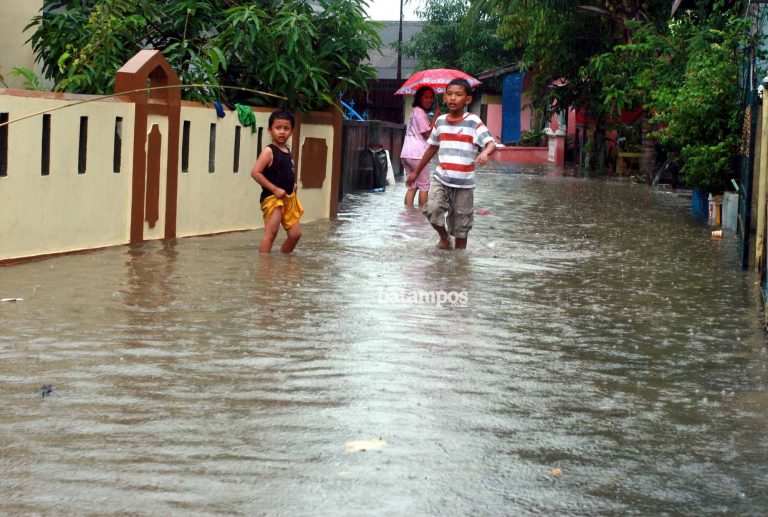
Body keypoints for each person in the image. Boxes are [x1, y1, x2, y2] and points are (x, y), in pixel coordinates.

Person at [407, 78, 496, 250]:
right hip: (442, 178)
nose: (453, 98)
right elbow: (431, 149)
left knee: (461, 227)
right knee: (431, 209)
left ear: (467, 99)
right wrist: (416, 172)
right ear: (444, 98)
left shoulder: (473, 121)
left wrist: (485, 153)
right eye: (449, 94)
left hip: (464, 184)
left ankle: (459, 265)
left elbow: (490, 143)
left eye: (458, 94)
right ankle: (444, 238)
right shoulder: (440, 122)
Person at [251, 110, 303, 253]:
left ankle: (284, 261)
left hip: (288, 198)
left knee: (295, 235)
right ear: (270, 130)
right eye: (278, 128)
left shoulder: (287, 150)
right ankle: (265, 270)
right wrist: (274, 189)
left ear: (291, 131)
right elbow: (255, 173)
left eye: (286, 129)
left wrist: (293, 184)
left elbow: (287, 171)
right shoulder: (269, 151)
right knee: (271, 234)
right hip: (273, 199)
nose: (282, 132)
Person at [401, 86, 439, 207]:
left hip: (406, 154)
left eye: (431, 97)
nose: (430, 100)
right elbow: (427, 133)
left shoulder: (414, 111)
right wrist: (437, 116)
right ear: (419, 98)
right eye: (426, 97)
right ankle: (423, 216)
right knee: (424, 186)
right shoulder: (420, 113)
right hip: (418, 154)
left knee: (412, 186)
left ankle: (409, 214)